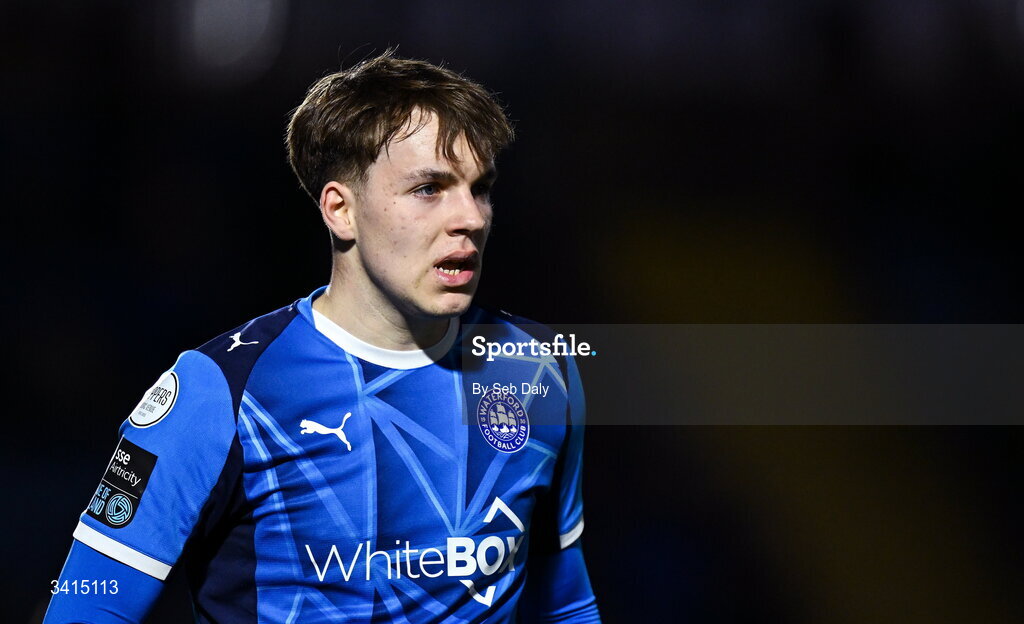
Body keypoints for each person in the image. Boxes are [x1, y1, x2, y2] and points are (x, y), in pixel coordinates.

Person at [44, 52, 601, 623]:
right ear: (340, 210)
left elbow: (567, 601)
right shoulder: (217, 392)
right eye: (429, 188)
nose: (472, 217)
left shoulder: (536, 369)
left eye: (479, 188)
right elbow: (86, 607)